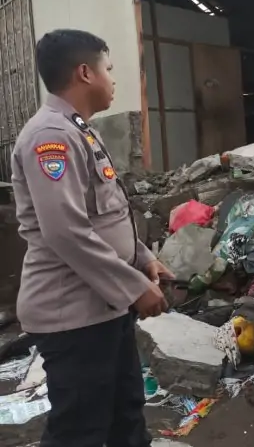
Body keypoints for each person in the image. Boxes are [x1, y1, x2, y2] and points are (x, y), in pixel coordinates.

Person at [11, 29, 173, 446]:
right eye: (109, 69)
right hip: (74, 315)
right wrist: (134, 287)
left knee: (126, 415)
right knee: (80, 430)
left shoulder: (79, 129)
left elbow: (107, 215)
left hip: (104, 307)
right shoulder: (51, 138)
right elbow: (66, 231)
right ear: (85, 73)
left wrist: (141, 258)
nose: (114, 79)